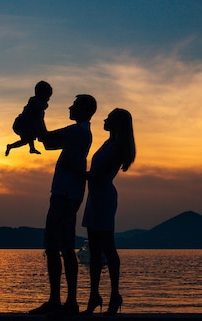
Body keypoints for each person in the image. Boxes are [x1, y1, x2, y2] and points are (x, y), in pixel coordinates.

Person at [29, 94, 97, 316]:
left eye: (74, 105)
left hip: (65, 194)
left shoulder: (78, 131)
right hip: (68, 192)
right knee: (59, 246)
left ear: (85, 109)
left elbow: (46, 139)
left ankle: (64, 302)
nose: (70, 107)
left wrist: (38, 111)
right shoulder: (82, 132)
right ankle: (62, 301)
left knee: (58, 246)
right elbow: (48, 143)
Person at [81, 108, 136, 316]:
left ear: (117, 124)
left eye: (109, 118)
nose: (104, 120)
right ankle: (95, 295)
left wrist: (75, 171)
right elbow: (95, 175)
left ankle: (114, 295)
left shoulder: (117, 148)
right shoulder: (108, 144)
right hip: (95, 198)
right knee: (95, 250)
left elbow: (98, 175)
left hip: (103, 198)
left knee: (107, 247)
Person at [5, 81, 53, 156]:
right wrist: (44, 132)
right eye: (47, 96)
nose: (48, 99)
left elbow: (40, 120)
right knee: (30, 134)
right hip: (21, 124)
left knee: (25, 140)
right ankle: (31, 148)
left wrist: (44, 132)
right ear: (40, 94)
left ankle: (11, 146)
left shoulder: (40, 109)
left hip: (26, 125)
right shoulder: (34, 101)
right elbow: (39, 120)